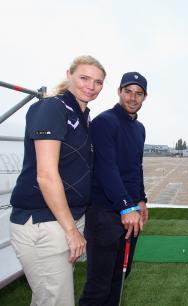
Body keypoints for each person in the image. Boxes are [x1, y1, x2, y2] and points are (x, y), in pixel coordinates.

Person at [9, 55, 106, 306]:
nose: (91, 86)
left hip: (64, 219)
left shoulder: (83, 115)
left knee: (49, 298)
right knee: (56, 301)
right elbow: (46, 175)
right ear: (69, 74)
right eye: (84, 78)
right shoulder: (52, 107)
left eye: (98, 82)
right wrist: (71, 230)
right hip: (44, 221)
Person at [79, 72, 149, 305]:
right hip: (105, 213)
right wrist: (126, 207)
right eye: (128, 91)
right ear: (119, 92)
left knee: (120, 277)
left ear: (144, 97)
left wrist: (141, 200)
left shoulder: (139, 128)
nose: (132, 97)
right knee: (99, 285)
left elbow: (135, 168)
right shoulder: (105, 122)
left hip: (130, 212)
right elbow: (106, 169)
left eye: (138, 93)